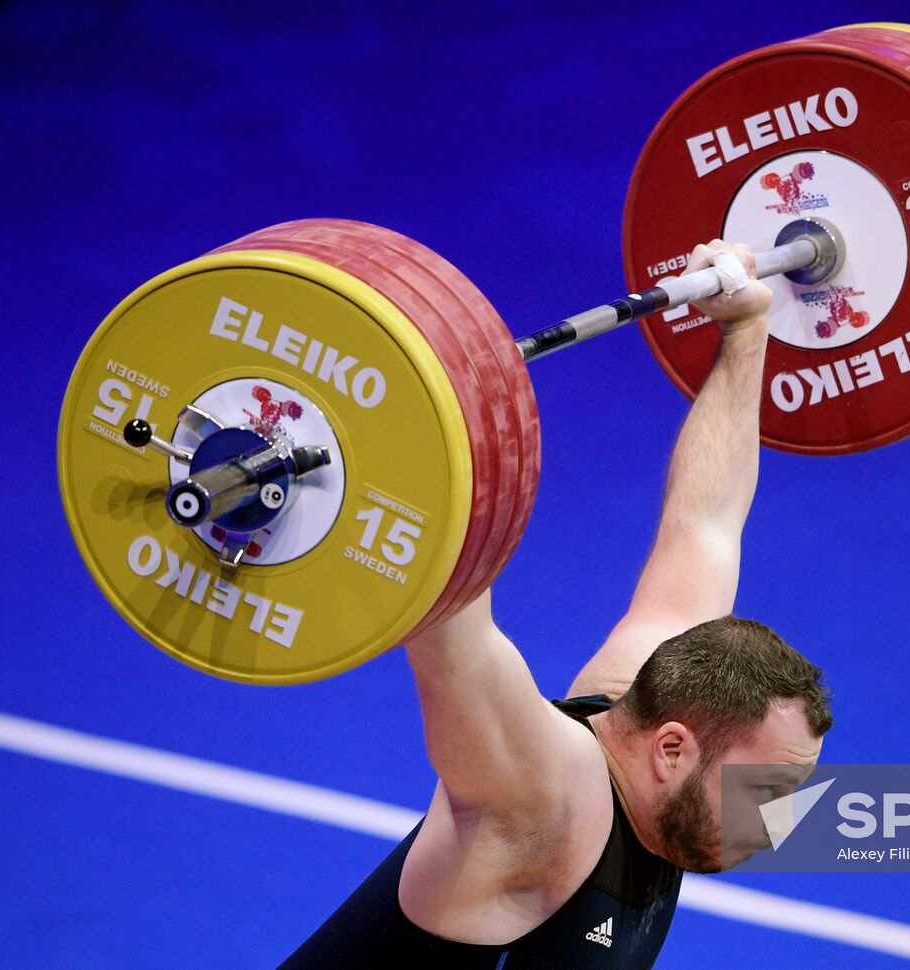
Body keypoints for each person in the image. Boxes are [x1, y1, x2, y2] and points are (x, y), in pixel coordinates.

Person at [281, 240, 833, 969]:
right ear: (672, 750)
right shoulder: (537, 800)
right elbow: (453, 636)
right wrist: (409, 437)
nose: (781, 821)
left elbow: (705, 523)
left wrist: (745, 329)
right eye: (767, 790)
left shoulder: (651, 701)